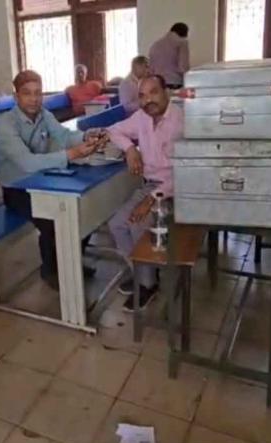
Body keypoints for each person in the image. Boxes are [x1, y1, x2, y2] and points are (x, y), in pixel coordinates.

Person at [0, 70, 108, 289]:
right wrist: (71, 154)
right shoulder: (6, 124)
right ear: (16, 97)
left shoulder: (43, 114)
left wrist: (86, 136)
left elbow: (64, 136)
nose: (34, 99)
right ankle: (50, 269)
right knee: (52, 219)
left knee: (83, 210)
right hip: (17, 189)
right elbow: (27, 163)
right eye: (27, 93)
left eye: (38, 93)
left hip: (43, 179)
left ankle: (71, 261)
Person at [107, 74, 184, 310]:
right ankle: (142, 273)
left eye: (154, 92)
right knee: (117, 224)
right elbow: (113, 130)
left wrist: (151, 200)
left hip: (177, 190)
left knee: (139, 224)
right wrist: (131, 149)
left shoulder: (182, 121)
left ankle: (147, 284)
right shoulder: (141, 117)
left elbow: (186, 173)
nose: (148, 100)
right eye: (142, 95)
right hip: (150, 185)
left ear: (166, 92)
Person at [149, 23, 190, 88]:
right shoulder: (182, 43)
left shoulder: (156, 44)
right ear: (184, 32)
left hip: (158, 83)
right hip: (174, 82)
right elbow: (183, 67)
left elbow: (151, 68)